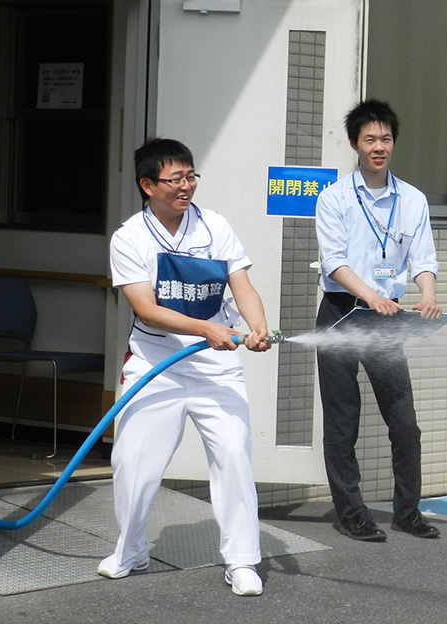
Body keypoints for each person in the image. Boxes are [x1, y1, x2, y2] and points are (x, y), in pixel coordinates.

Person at [101, 137, 270, 596]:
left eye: (191, 176)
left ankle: (242, 561)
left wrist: (256, 325)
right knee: (133, 462)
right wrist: (205, 329)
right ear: (148, 185)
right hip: (156, 363)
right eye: (175, 179)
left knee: (233, 457)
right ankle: (131, 549)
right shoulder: (129, 237)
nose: (186, 186)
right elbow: (146, 308)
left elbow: (242, 285)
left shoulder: (215, 226)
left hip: (216, 368)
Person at [314, 98, 443, 541]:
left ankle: (408, 512)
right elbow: (333, 261)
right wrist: (370, 296)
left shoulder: (413, 199)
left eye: (386, 139)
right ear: (355, 144)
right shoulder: (334, 198)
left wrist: (427, 293)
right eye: (369, 139)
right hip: (341, 312)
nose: (379, 147)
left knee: (404, 423)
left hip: (387, 319)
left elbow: (423, 258)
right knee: (342, 419)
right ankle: (352, 513)